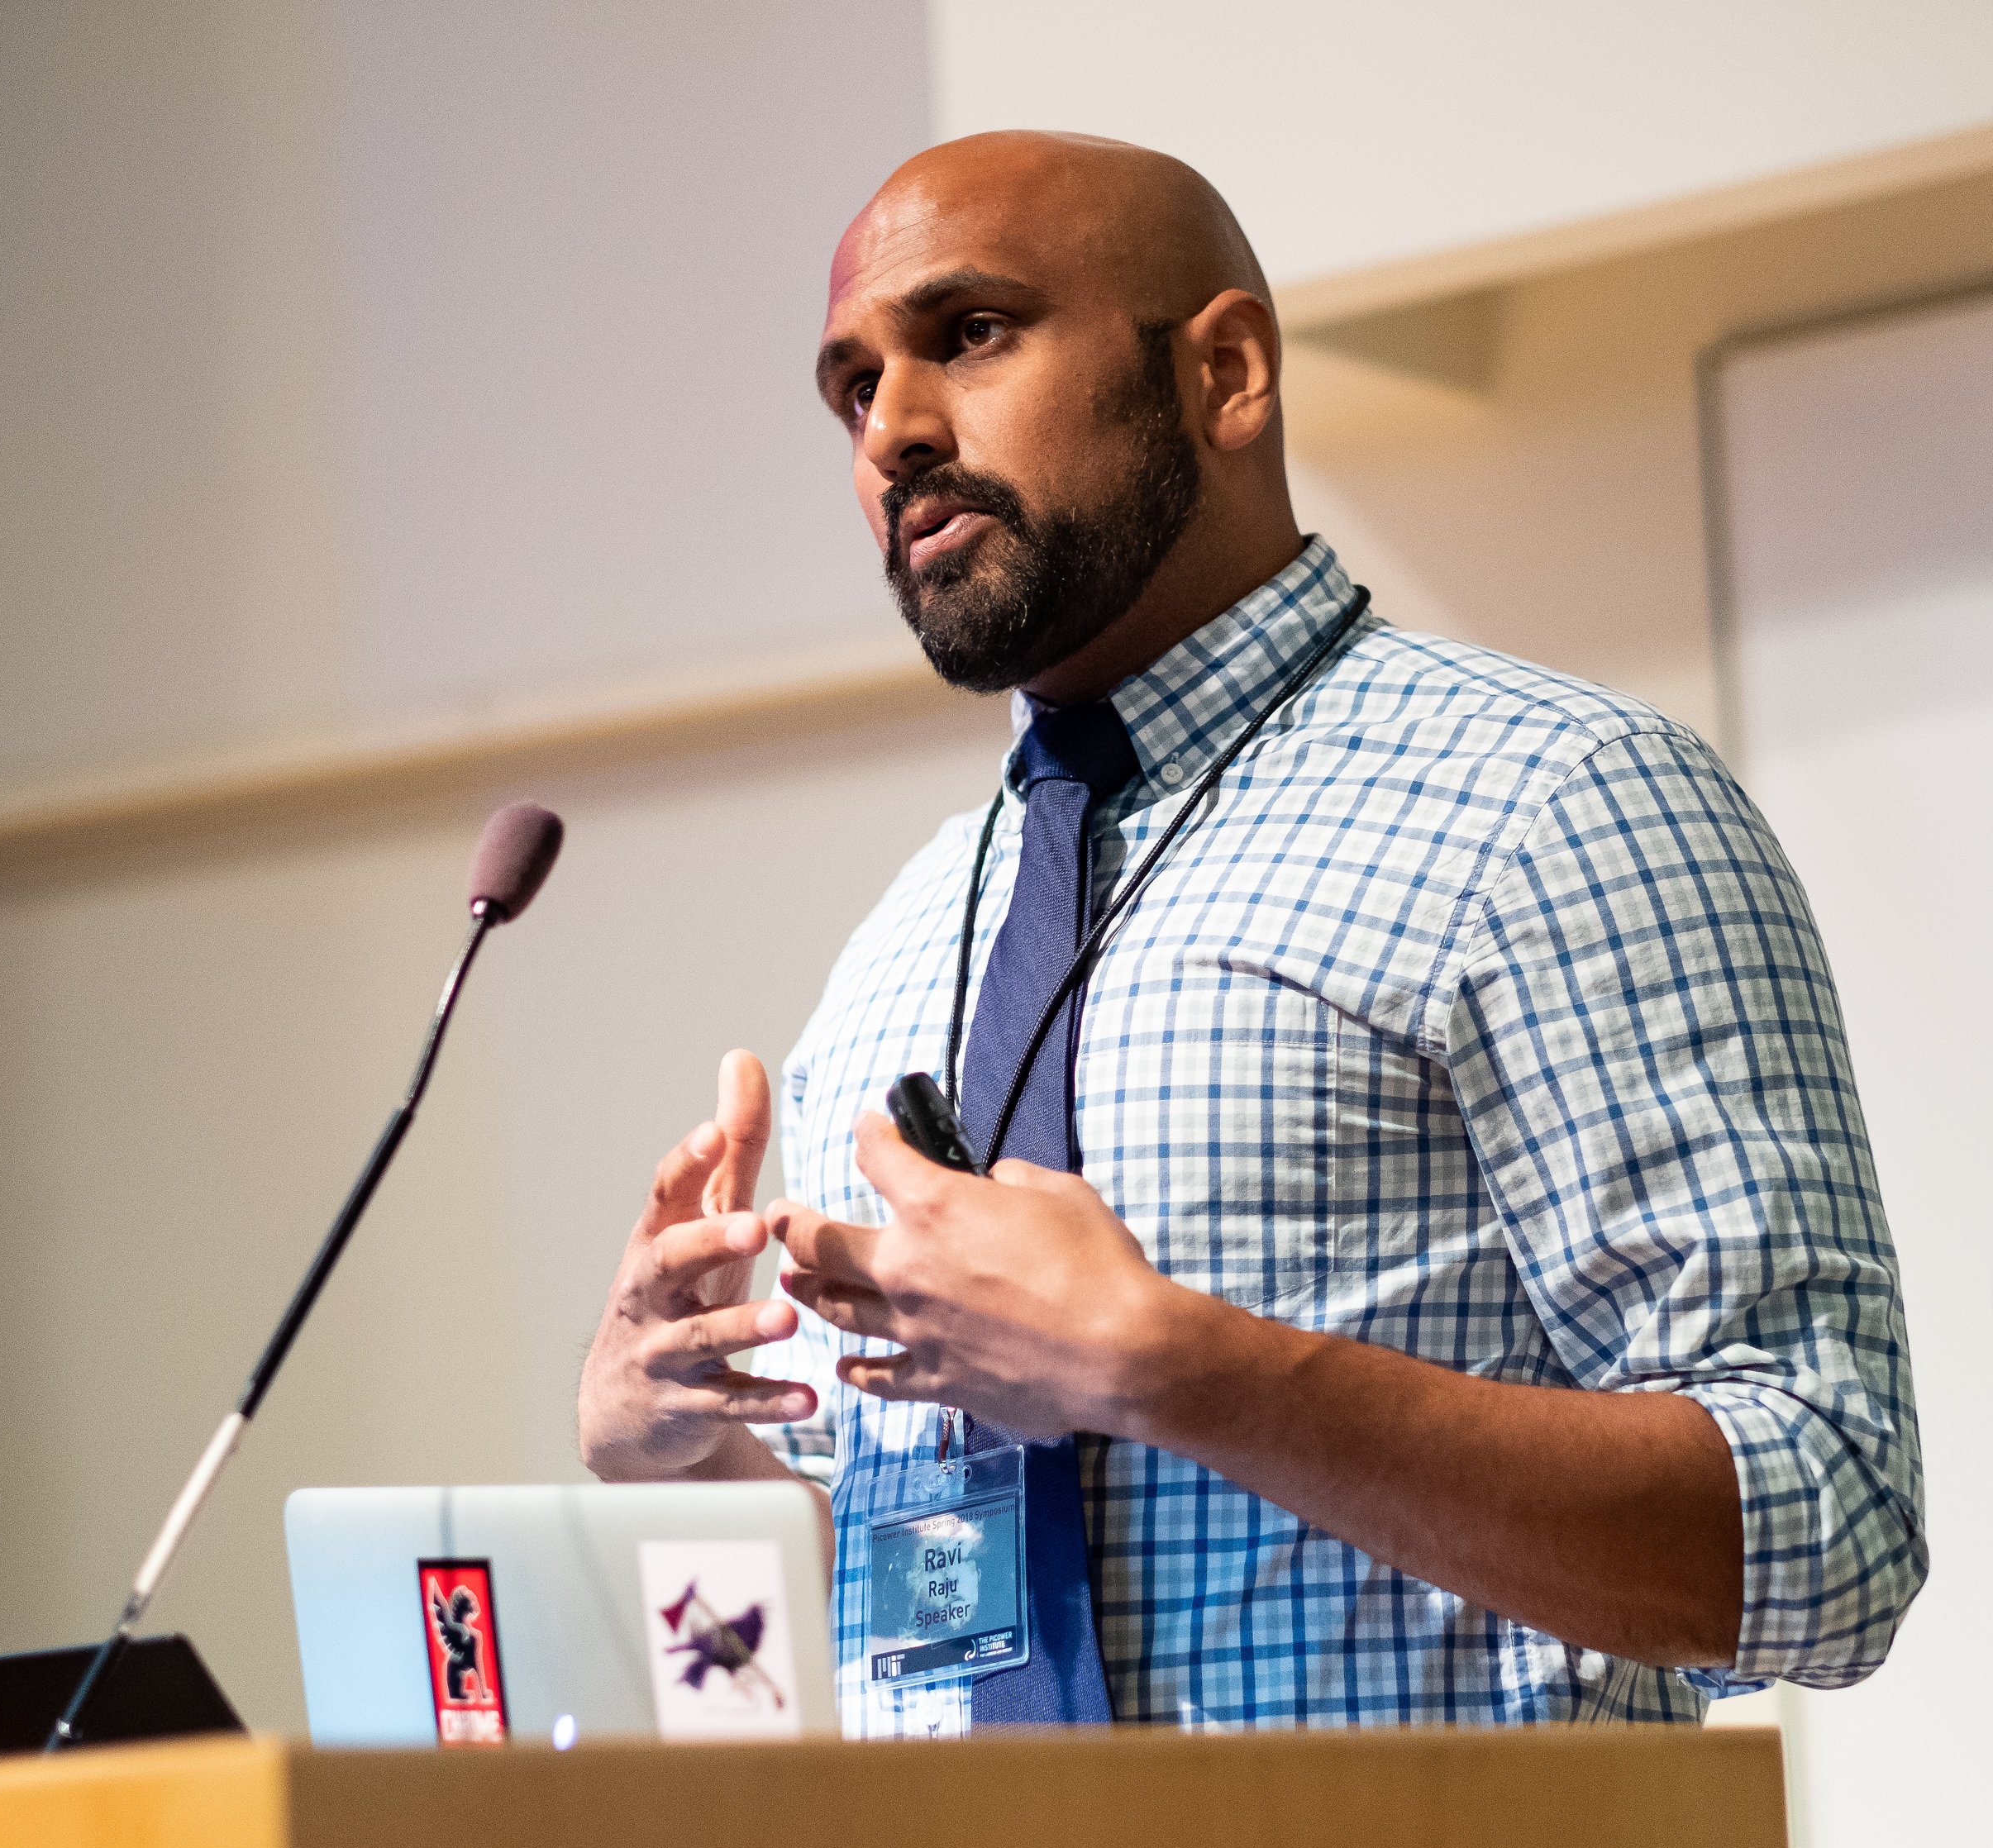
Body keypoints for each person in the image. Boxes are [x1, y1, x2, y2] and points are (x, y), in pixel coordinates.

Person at [577, 131, 1924, 1733]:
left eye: (972, 334)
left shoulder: (1555, 801)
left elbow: (1828, 1531)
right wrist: (681, 1449)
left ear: (1223, 371)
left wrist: (1177, 1370)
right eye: (853, 388)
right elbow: (907, 1616)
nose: (898, 431)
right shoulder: (905, 943)